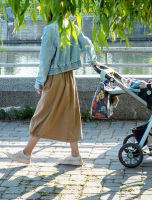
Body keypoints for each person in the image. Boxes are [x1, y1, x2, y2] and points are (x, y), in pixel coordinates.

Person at [6, 13, 97, 166]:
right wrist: (92, 60)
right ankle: (75, 155)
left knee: (43, 113)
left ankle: (26, 153)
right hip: (69, 76)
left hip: (54, 76)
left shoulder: (50, 28)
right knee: (70, 113)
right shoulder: (70, 26)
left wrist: (39, 81)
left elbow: (45, 58)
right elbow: (87, 42)